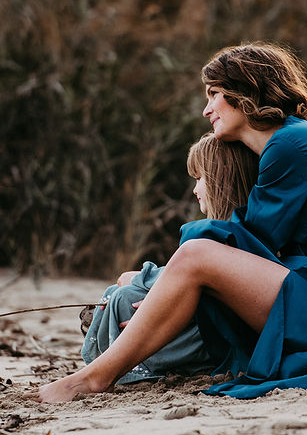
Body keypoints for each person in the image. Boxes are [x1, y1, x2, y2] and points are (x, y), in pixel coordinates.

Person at [38, 42, 307, 402]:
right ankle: (110, 366)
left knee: (196, 254)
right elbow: (255, 250)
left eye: (215, 94)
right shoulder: (288, 142)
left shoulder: (293, 143)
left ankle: (93, 378)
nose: (207, 109)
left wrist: (158, 281)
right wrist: (161, 284)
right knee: (176, 268)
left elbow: (251, 241)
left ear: (246, 91)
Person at [80, 133, 258, 384]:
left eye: (200, 179)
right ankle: (119, 356)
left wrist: (145, 283)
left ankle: (130, 364)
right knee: (124, 295)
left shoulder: (229, 233)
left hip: (211, 336)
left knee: (122, 295)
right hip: (203, 323)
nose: (195, 189)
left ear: (220, 180)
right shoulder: (225, 228)